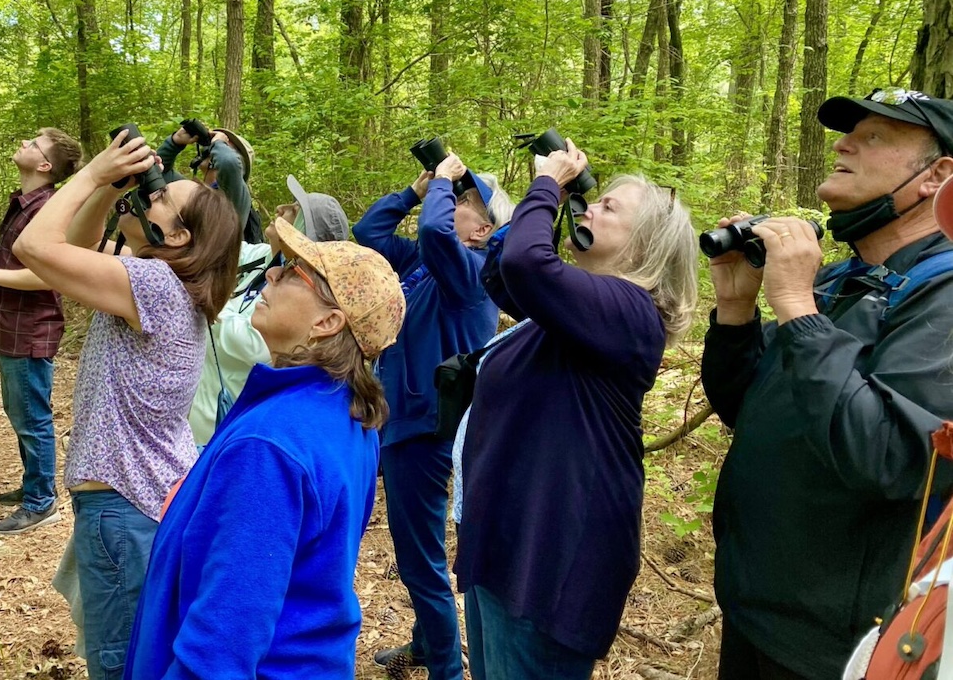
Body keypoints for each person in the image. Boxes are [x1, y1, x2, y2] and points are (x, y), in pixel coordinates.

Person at [703, 88, 953, 680]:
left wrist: (793, 304)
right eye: (848, 133)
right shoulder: (843, 279)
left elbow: (889, 458)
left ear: (936, 175)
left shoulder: (942, 296)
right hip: (754, 607)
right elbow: (752, 409)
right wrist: (736, 312)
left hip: (837, 646)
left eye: (875, 138)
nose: (842, 146)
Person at [455, 143, 698, 680]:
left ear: (645, 247)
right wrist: (551, 197)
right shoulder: (574, 317)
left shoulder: (633, 314)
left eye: (609, 207)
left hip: (552, 562)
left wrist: (549, 183)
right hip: (509, 546)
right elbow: (503, 271)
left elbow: (526, 261)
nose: (591, 209)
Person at [123, 218, 406, 679]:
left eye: (295, 272)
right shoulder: (347, 414)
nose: (272, 274)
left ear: (327, 322)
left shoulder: (270, 444)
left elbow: (222, 642)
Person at [13, 130, 241, 680]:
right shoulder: (166, 282)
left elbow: (35, 249)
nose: (151, 193)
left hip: (124, 507)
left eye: (161, 196)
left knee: (121, 665)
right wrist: (113, 190)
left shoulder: (157, 285)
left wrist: (91, 174)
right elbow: (80, 244)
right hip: (142, 498)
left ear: (178, 235)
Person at [352, 154, 513, 680]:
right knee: (417, 550)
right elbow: (367, 233)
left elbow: (436, 235)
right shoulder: (425, 266)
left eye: (462, 204)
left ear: (483, 230)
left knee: (420, 561)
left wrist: (445, 182)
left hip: (427, 431)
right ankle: (426, 644)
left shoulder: (471, 276)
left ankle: (445, 668)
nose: (450, 208)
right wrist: (416, 190)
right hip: (406, 424)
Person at [0, 128, 83, 534]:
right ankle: (33, 483)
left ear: (45, 166)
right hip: (8, 323)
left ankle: (41, 501)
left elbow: (47, 275)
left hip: (29, 328)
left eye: (33, 143)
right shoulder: (24, 202)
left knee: (32, 416)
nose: (24, 143)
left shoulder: (46, 208)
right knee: (20, 411)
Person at [188, 175, 350, 447]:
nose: (280, 210)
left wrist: (202, 301)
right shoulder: (262, 258)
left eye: (293, 210)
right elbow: (212, 252)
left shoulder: (306, 297)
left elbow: (255, 345)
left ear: (303, 231)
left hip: (228, 430)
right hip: (194, 418)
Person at [158, 120, 263, 243]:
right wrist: (175, 142)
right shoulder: (193, 191)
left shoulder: (236, 197)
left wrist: (219, 142)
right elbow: (159, 173)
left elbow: (228, 163)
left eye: (227, 145)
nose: (212, 146)